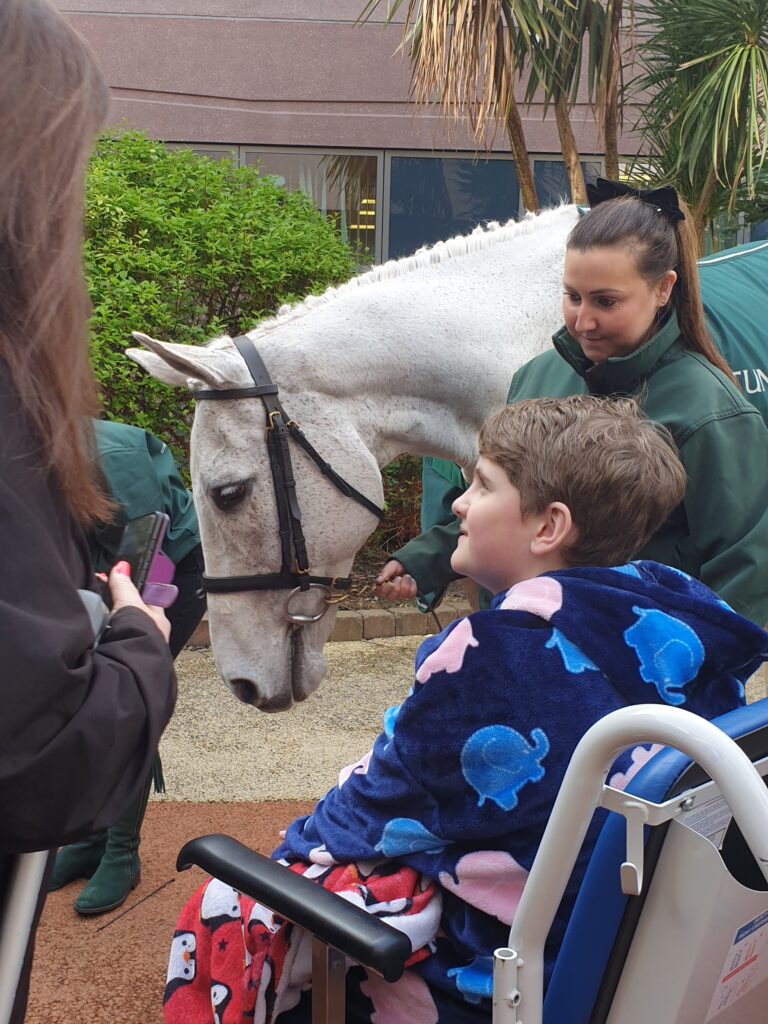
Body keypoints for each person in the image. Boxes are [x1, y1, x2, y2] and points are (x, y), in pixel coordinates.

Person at [163, 397, 768, 1024]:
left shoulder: (498, 656)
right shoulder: (672, 623)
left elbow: (371, 812)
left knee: (232, 898)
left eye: (482, 484)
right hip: (620, 962)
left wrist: (293, 849)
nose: (458, 503)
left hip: (497, 977)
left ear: (547, 527)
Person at [0, 1, 176, 1019]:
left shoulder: (132, 472)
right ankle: (92, 835)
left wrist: (135, 622)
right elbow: (34, 741)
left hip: (130, 587)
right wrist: (136, 646)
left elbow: (155, 576)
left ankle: (117, 842)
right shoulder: (30, 420)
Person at [377, 179, 768, 627]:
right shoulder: (536, 376)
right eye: (573, 297)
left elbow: (746, 567)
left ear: (663, 289)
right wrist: (428, 557)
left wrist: (688, 668)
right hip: (530, 640)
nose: (584, 321)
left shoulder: (710, 411)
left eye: (606, 301)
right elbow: (509, 501)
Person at [49, 419, 206, 915]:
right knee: (85, 698)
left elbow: (144, 553)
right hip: (106, 570)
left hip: (170, 573)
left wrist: (125, 628)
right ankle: (91, 838)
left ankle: (122, 851)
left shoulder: (110, 456)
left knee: (125, 695)